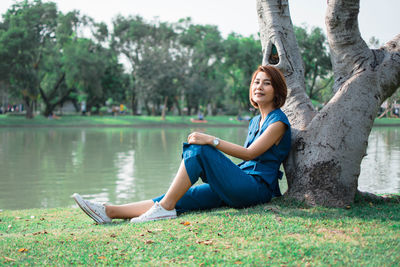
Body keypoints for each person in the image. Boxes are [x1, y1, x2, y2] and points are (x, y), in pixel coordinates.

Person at [72, 65, 291, 224]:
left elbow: (250, 154)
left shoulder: (278, 123)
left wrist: (211, 140)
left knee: (201, 149)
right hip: (240, 181)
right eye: (256, 82)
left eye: (267, 83)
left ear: (276, 90)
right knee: (181, 197)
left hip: (256, 189)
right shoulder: (255, 121)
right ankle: (109, 211)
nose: (259, 87)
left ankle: (165, 209)